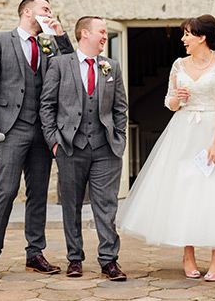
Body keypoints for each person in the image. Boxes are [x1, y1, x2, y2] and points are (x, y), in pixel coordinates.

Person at [117, 15, 215, 283]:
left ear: (202, 37)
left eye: (188, 34)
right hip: (183, 133)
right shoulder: (178, 64)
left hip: (213, 133)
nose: (183, 39)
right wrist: (176, 99)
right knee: (182, 191)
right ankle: (187, 255)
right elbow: (169, 103)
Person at [0, 0, 74, 280]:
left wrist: (58, 34)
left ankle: (35, 254)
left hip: (42, 130)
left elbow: (71, 65)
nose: (49, 13)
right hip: (11, 128)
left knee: (38, 194)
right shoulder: (0, 41)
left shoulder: (48, 45)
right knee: (6, 191)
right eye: (45, 9)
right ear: (27, 13)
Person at [40, 16, 128, 281]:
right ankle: (74, 258)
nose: (105, 36)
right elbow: (47, 106)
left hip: (105, 149)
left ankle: (109, 261)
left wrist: (119, 140)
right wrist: (53, 142)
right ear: (84, 34)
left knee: (106, 206)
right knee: (71, 205)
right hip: (69, 147)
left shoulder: (111, 67)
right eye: (101, 32)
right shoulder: (58, 64)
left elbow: (120, 108)